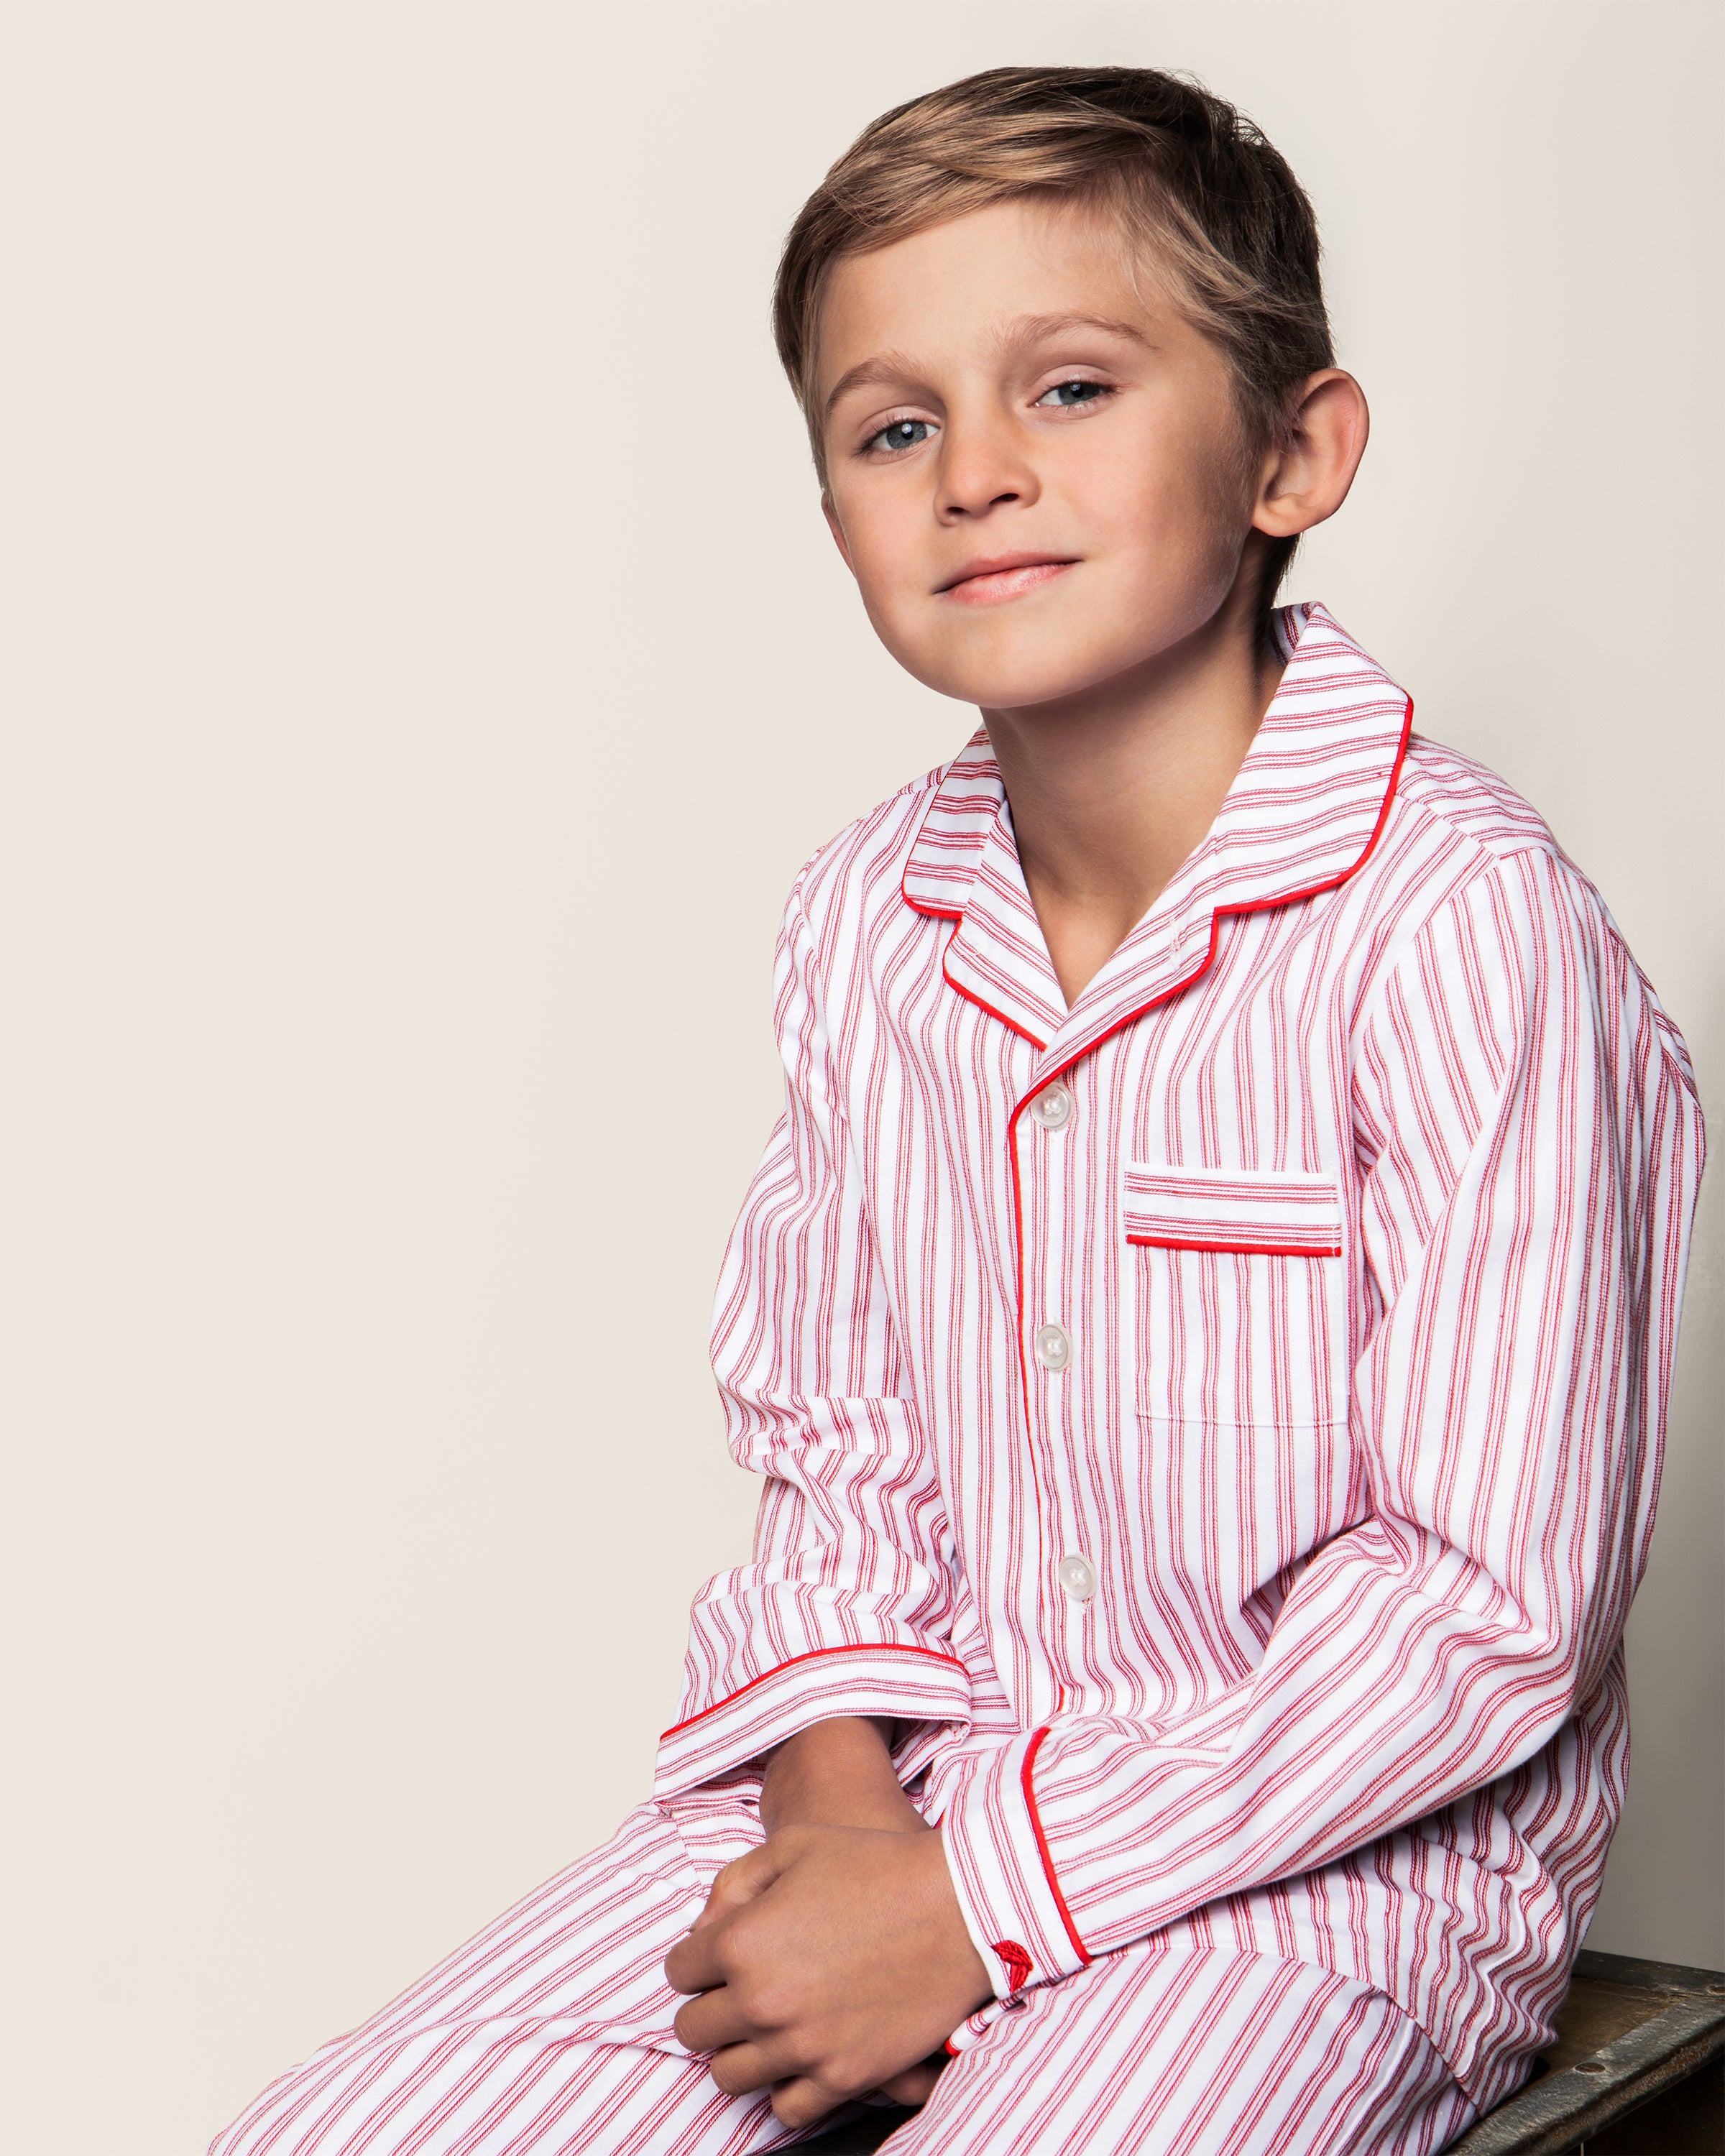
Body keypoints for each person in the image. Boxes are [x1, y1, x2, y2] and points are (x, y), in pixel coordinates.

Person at [211, 65, 1706, 2156]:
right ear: (834, 512)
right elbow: (839, 1448)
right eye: (893, 426)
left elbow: (1480, 1611)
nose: (977, 474)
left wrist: (982, 1908)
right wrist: (839, 1822)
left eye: (1072, 388)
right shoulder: (865, 924)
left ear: (1293, 451)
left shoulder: (1461, 924)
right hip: (913, 1788)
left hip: (1332, 1880)